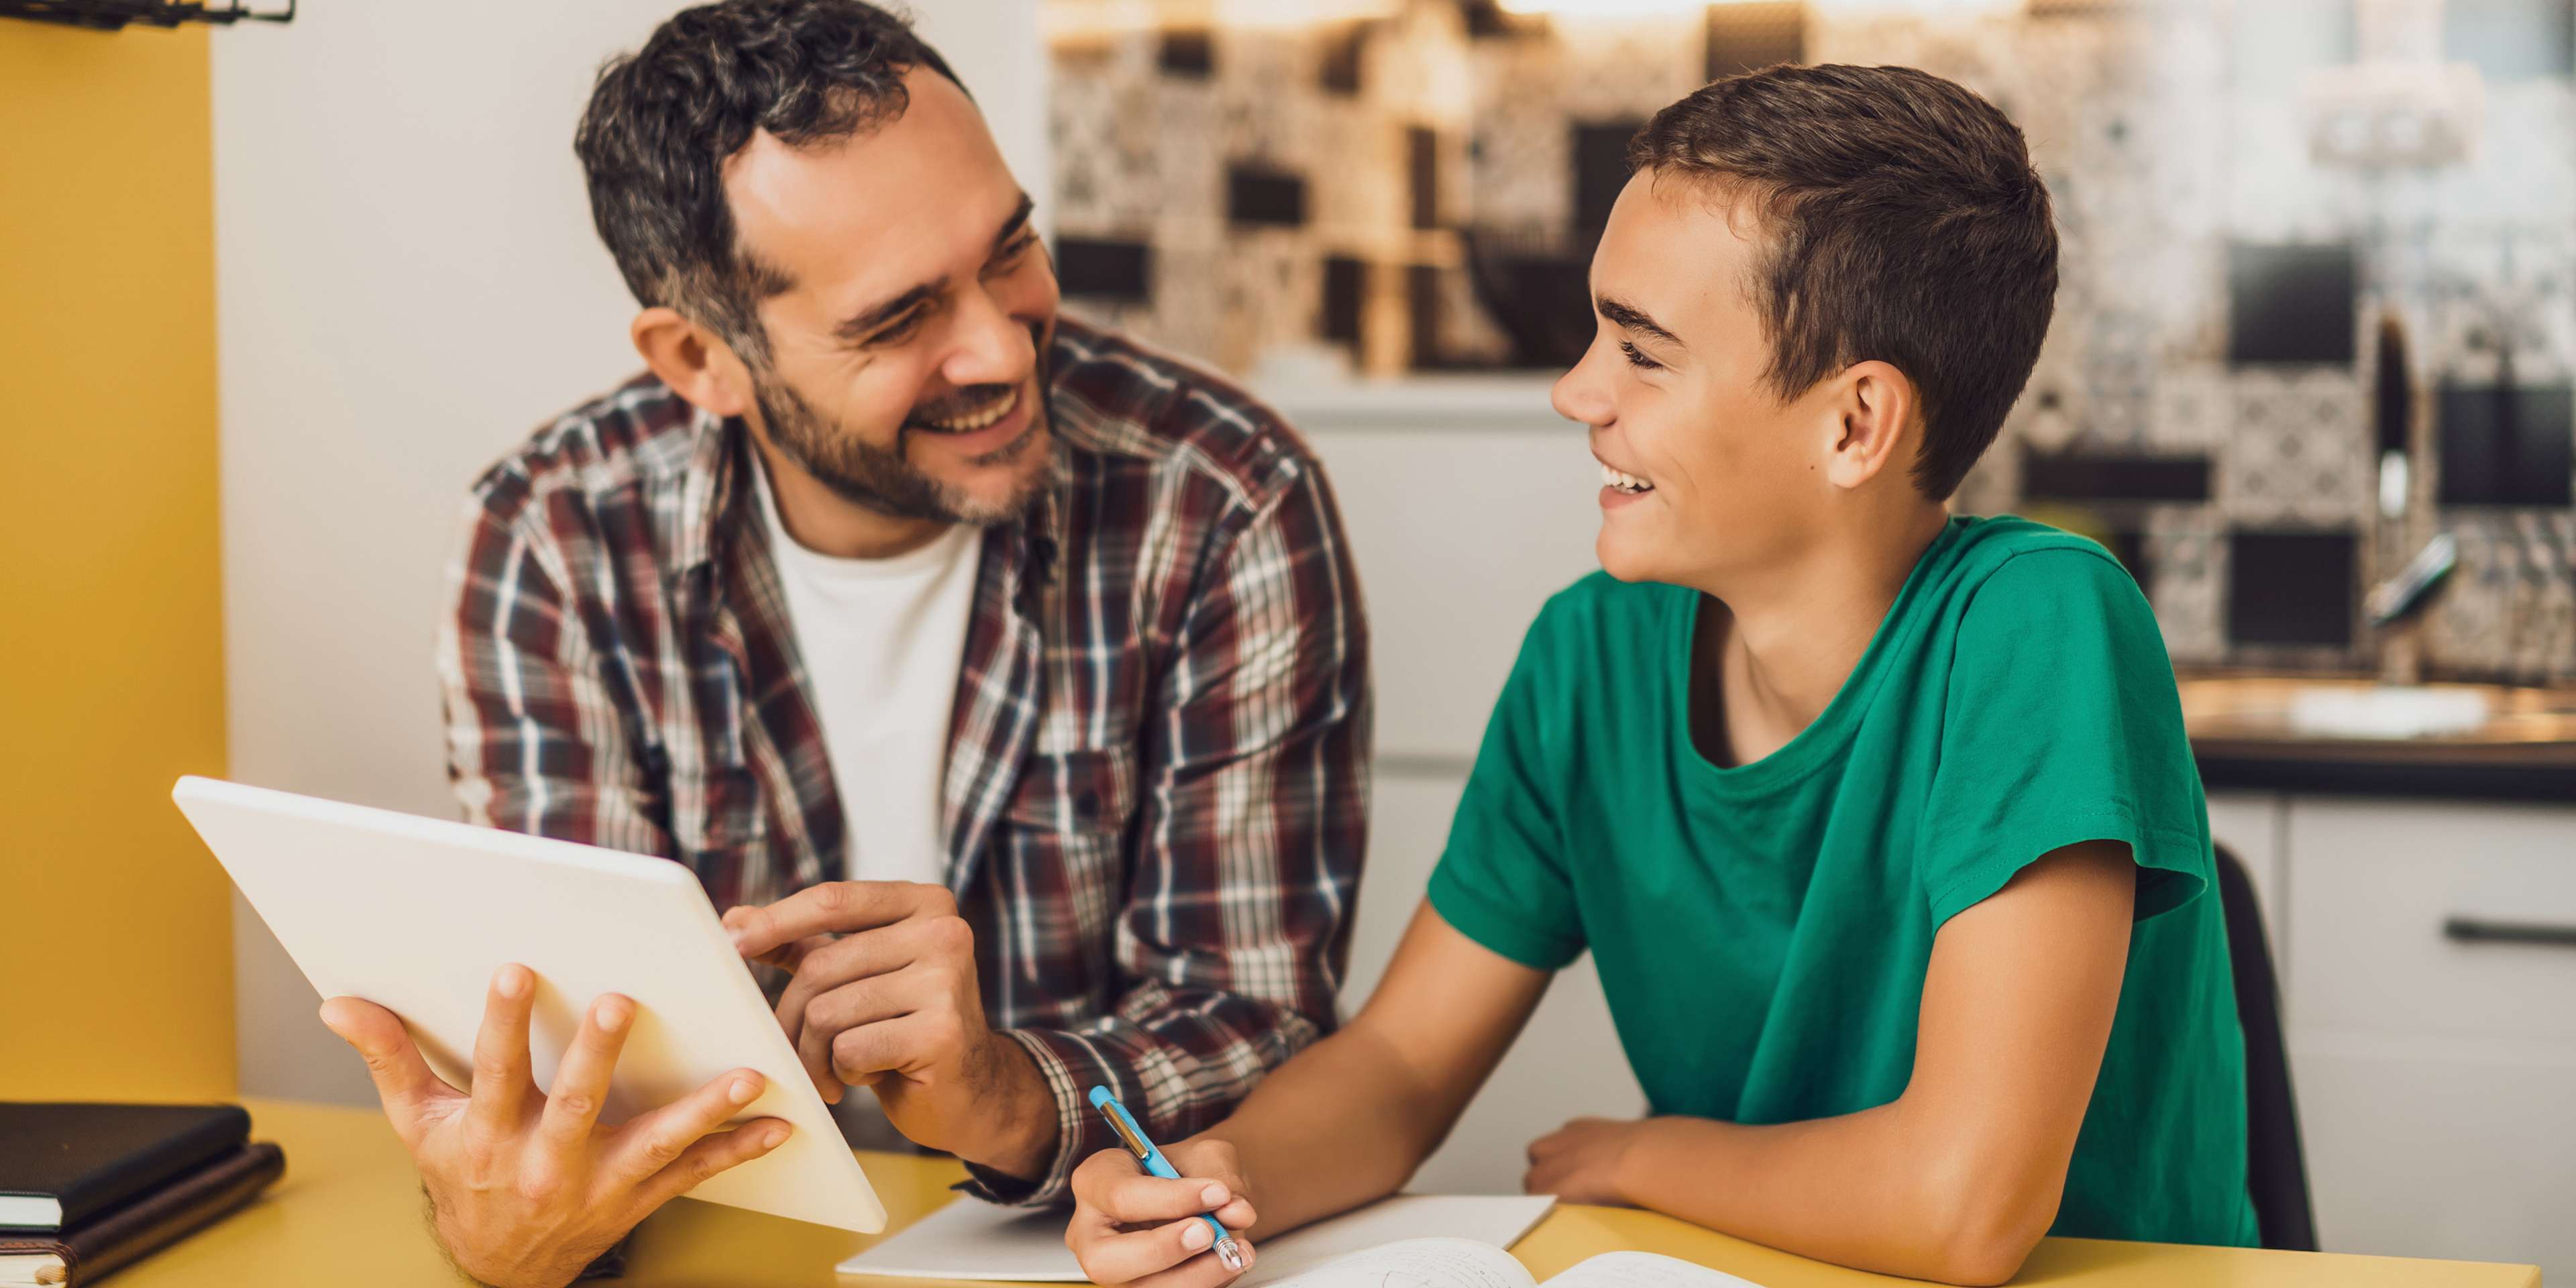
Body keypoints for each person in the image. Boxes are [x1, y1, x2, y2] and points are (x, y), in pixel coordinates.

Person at [1063, 63, 2256, 1288]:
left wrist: (1645, 1157)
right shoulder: (1589, 657)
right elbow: (1403, 1069)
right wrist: (1206, 1176)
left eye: (1642, 352)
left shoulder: (2040, 623)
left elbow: (1963, 1210)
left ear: (1854, 426)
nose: (1577, 391)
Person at [313, 4, 1371, 1285]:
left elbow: (1255, 1006)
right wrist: (506, 1223)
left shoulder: (1221, 497)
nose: (1000, 347)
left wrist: (1005, 1095)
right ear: (701, 358)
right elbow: (569, 1063)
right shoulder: (555, 540)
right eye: (898, 319)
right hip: (726, 1249)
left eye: (1011, 249)